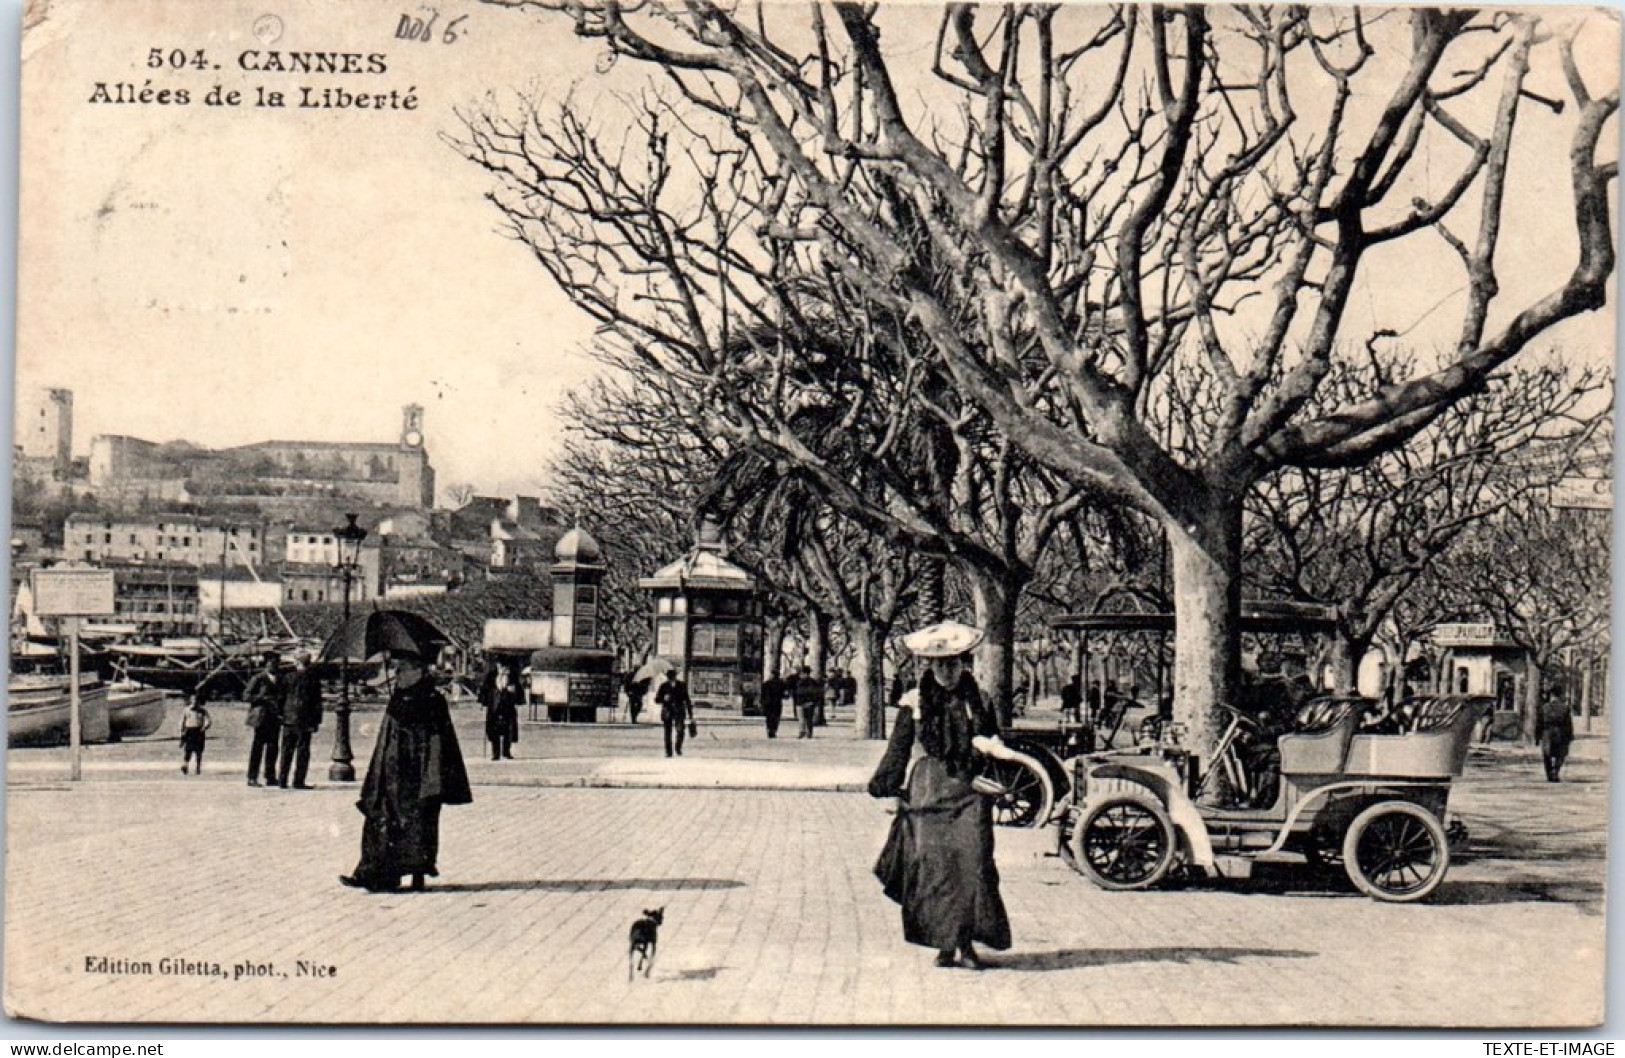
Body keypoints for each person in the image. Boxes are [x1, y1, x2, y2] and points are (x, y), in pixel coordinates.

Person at [867, 620, 1012, 970]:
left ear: (965, 663)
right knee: (935, 871)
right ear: (929, 665)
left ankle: (967, 944)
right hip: (928, 792)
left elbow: (992, 741)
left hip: (969, 792)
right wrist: (888, 787)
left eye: (953, 662)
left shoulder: (981, 700)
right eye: (940, 663)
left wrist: (993, 754)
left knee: (973, 865)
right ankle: (946, 945)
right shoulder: (913, 703)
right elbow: (898, 749)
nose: (947, 670)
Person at [341, 651, 473, 893]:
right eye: (396, 669)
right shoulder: (399, 698)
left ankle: (416, 874)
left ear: (418, 672)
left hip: (418, 774)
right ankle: (375, 875)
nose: (397, 674)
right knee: (382, 819)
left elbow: (435, 740)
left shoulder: (432, 699)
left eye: (402, 669)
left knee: (417, 822)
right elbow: (388, 737)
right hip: (392, 772)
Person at [276, 650, 324, 790]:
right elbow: (317, 702)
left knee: (286, 750)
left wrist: (281, 714)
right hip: (305, 719)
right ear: (308, 663)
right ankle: (298, 781)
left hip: (289, 718)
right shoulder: (313, 679)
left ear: (296, 662)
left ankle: (282, 780)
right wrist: (316, 721)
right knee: (303, 750)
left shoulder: (287, 677)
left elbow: (280, 698)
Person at [243, 652, 284, 787]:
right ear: (266, 664)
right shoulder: (258, 678)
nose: (274, 665)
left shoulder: (280, 678)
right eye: (272, 662)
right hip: (261, 717)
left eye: (277, 662)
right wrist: (261, 697)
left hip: (274, 717)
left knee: (273, 748)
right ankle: (252, 777)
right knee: (257, 748)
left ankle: (270, 776)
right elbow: (246, 696)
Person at [479, 663, 520, 761]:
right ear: (497, 666)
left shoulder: (512, 676)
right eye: (501, 666)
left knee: (508, 730)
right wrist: (483, 702)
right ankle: (495, 753)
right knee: (494, 730)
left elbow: (518, 690)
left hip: (508, 706)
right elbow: (485, 689)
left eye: (505, 667)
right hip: (494, 706)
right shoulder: (491, 676)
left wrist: (514, 693)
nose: (503, 669)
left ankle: (506, 752)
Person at [1536, 694, 1575, 783]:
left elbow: (1539, 723)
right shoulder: (1565, 708)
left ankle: (1549, 774)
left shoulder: (1544, 707)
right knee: (1560, 754)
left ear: (1551, 696)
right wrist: (1570, 736)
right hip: (1560, 733)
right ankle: (1556, 772)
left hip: (1547, 733)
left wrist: (1537, 737)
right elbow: (1568, 724)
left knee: (1546, 754)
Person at [655, 669, 693, 758]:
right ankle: (668, 751)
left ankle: (678, 747)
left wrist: (690, 713)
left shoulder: (682, 685)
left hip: (679, 710)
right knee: (667, 732)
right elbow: (657, 699)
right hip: (668, 711)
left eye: (672, 677)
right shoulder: (664, 686)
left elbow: (687, 699)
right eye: (670, 677)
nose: (671, 679)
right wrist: (664, 699)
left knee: (680, 731)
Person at [178, 690, 212, 775]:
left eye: (196, 700)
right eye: (193, 700)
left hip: (199, 731)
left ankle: (198, 767)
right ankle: (185, 766)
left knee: (198, 751)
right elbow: (182, 721)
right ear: (190, 700)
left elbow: (208, 720)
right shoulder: (187, 710)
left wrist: (205, 727)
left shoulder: (202, 710)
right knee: (188, 750)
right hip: (189, 731)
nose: (195, 702)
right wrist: (182, 731)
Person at [793, 666, 821, 739]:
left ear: (806, 674)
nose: (801, 675)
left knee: (807, 719)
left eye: (802, 673)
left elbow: (815, 693)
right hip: (803, 703)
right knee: (804, 719)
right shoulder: (800, 682)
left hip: (807, 703)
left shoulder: (810, 682)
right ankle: (804, 732)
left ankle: (807, 732)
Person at [760, 674, 785, 739]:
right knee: (776, 717)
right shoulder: (781, 684)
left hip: (768, 703)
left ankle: (770, 730)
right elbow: (783, 694)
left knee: (769, 718)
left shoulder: (766, 684)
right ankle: (773, 730)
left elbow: (762, 694)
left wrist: (762, 702)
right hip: (777, 703)